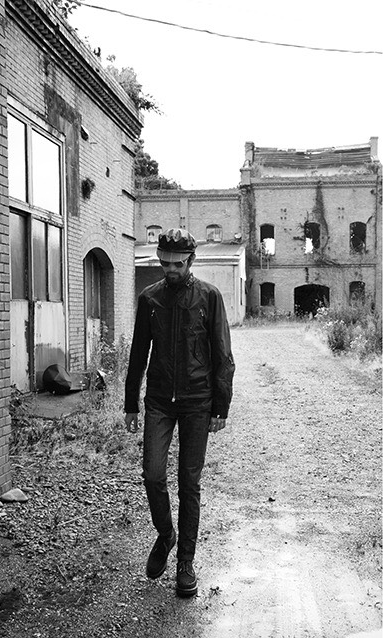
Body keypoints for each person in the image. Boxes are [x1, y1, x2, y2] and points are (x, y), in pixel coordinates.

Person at [124, 228, 235, 598]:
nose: (170, 270)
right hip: (158, 400)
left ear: (191, 261)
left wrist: (221, 405)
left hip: (197, 402)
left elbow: (223, 354)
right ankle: (165, 534)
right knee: (153, 474)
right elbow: (138, 353)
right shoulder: (149, 298)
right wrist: (130, 403)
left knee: (189, 483)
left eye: (177, 264)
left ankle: (185, 563)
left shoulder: (209, 297)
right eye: (165, 263)